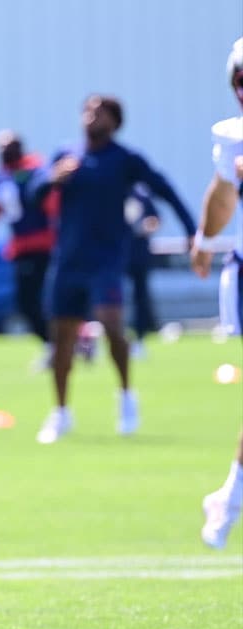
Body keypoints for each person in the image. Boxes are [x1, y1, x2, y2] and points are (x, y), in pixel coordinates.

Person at [32, 95, 196, 444]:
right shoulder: (66, 156)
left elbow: (163, 189)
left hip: (105, 260)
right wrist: (52, 179)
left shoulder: (124, 160)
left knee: (111, 327)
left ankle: (125, 397)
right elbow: (33, 196)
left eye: (100, 113)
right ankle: (61, 412)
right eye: (88, 111)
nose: (92, 117)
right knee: (62, 339)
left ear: (114, 122)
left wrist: (193, 230)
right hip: (68, 262)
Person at [192, 37, 243, 550]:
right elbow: (223, 192)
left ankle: (230, 496)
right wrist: (206, 238)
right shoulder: (235, 139)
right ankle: (230, 496)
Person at [0, 130, 57, 369]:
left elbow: (52, 201)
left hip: (44, 244)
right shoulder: (0, 177)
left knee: (40, 300)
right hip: (20, 247)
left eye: (9, 146)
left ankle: (62, 344)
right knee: (26, 303)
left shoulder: (36, 171)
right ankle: (62, 343)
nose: (4, 151)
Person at [123, 183, 169, 358]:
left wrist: (145, 227)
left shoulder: (141, 194)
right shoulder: (110, 189)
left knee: (140, 297)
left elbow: (155, 219)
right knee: (109, 299)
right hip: (114, 255)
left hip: (138, 254)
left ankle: (139, 338)